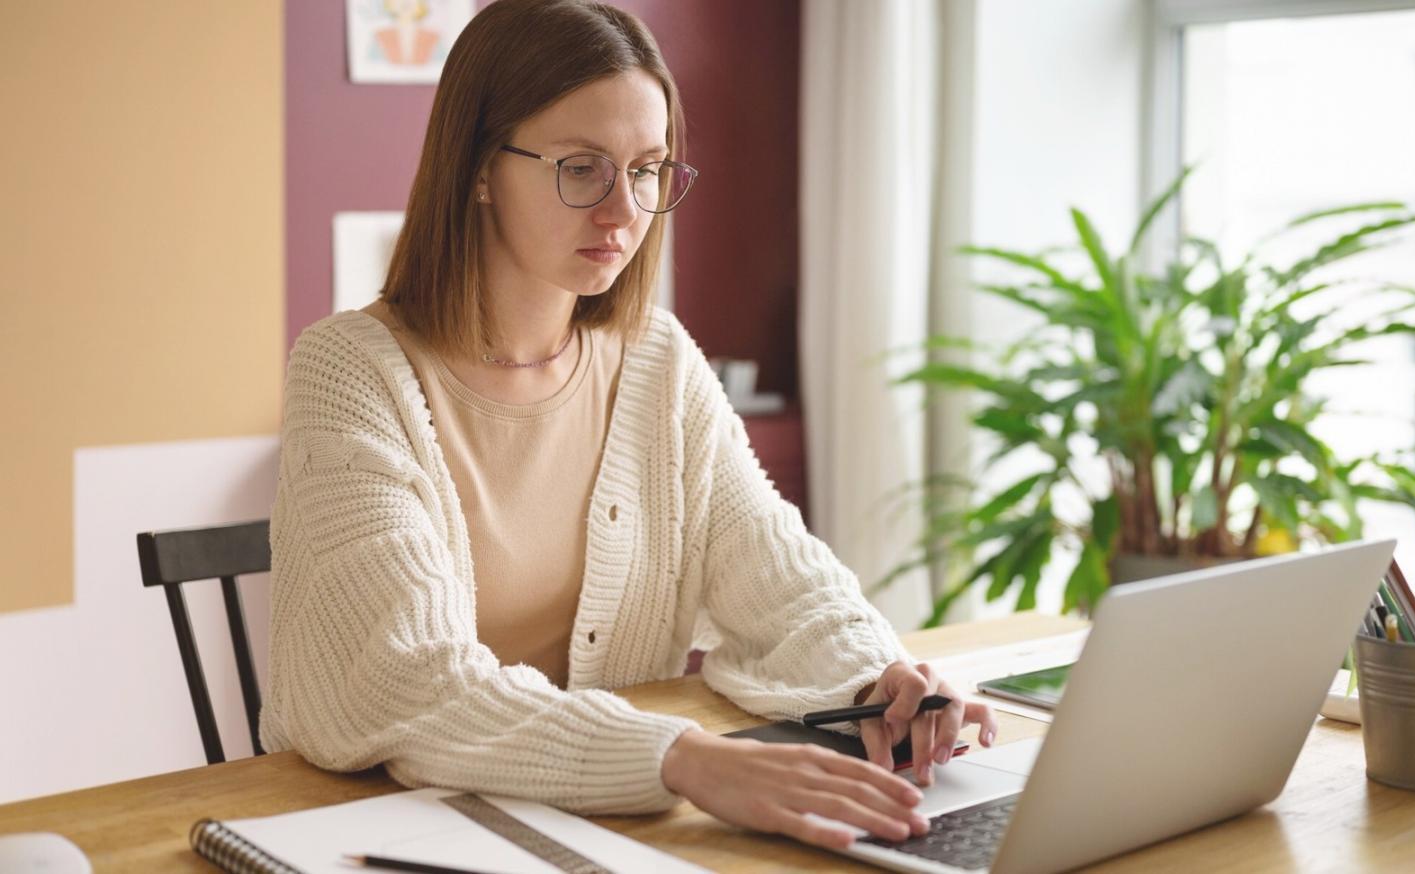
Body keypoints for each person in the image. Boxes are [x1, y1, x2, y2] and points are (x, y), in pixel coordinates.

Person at [260, 0, 996, 852]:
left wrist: (879, 676)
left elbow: (775, 572)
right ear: (479, 167)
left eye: (647, 170)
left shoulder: (655, 358)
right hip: (376, 834)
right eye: (581, 168)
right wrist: (682, 759)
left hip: (601, 832)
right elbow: (411, 678)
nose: (623, 212)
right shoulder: (349, 371)